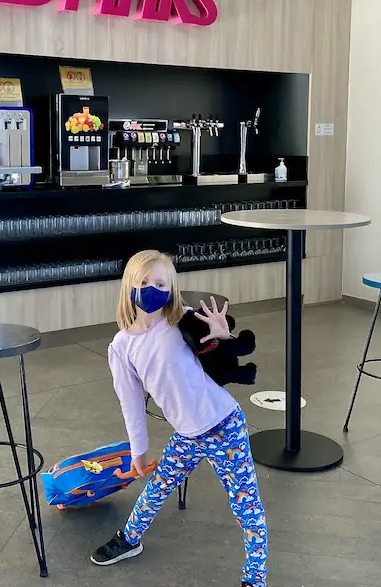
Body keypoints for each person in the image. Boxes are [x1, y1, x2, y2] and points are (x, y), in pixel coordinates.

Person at [90, 249, 268, 587]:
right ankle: (129, 539)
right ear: (129, 285)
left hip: (225, 426)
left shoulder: (182, 320)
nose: (150, 288)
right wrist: (138, 453)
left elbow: (226, 358)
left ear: (171, 288)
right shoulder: (122, 347)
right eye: (143, 282)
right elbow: (131, 404)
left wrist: (223, 335)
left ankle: (255, 579)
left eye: (159, 282)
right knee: (157, 487)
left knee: (247, 508)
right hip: (186, 435)